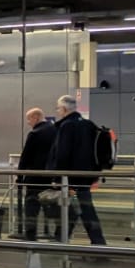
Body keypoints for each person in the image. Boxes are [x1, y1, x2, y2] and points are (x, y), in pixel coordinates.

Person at [47, 94, 108, 245]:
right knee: (76, 209)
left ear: (63, 109)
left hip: (71, 177)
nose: (58, 111)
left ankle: (98, 242)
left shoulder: (67, 126)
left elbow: (63, 153)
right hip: (86, 175)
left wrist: (57, 177)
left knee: (82, 210)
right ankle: (61, 238)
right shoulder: (88, 124)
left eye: (58, 108)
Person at [16, 106, 56, 240]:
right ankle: (58, 235)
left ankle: (30, 235)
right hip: (53, 177)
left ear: (36, 117)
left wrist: (19, 177)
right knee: (51, 206)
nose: (28, 122)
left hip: (35, 178)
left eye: (29, 119)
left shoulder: (35, 133)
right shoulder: (56, 130)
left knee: (31, 208)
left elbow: (25, 157)